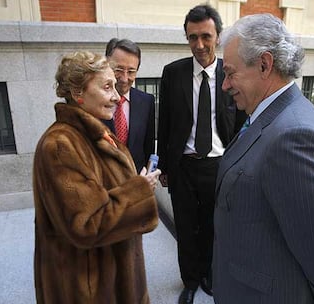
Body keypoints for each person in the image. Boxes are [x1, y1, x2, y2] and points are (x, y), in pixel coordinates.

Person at [212, 13, 314, 304]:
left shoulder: (294, 137)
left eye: (230, 72)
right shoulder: (271, 114)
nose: (225, 85)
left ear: (265, 64)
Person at [32, 51, 161, 304]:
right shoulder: (60, 146)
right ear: (78, 93)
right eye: (107, 87)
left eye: (115, 86)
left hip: (114, 281)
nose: (116, 96)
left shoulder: (96, 134)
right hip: (89, 289)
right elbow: (87, 224)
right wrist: (139, 191)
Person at [157, 4, 245, 304]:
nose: (199, 45)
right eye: (192, 37)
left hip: (220, 165)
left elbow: (242, 121)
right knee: (185, 225)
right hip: (183, 165)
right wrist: (165, 166)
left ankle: (208, 274)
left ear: (217, 36)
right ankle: (190, 281)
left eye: (205, 36)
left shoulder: (230, 74)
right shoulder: (173, 73)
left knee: (212, 225)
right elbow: (164, 122)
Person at [102, 38, 155, 172]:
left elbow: (148, 148)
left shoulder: (146, 102)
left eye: (131, 71)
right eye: (118, 70)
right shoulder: (95, 102)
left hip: (136, 181)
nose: (125, 78)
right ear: (106, 65)